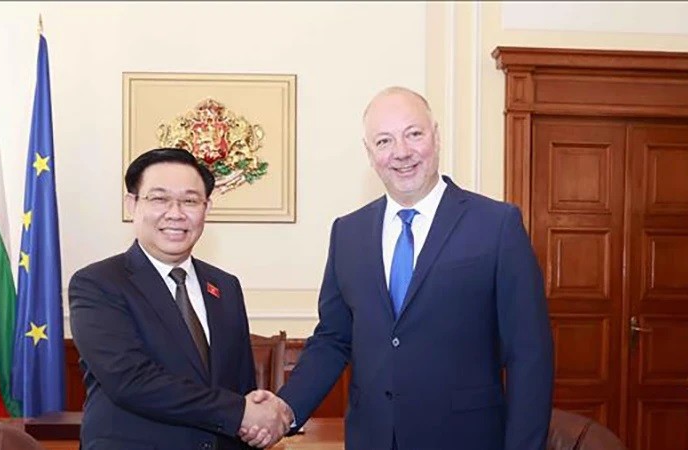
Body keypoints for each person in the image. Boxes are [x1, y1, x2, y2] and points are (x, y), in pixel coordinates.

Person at [241, 87, 554, 449]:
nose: (401, 152)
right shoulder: (348, 232)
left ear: (436, 136)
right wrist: (285, 408)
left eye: (414, 134)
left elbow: (530, 353)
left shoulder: (496, 224)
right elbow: (334, 338)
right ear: (370, 153)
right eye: (384, 140)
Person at [69, 148, 293, 450]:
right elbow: (131, 381)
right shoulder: (98, 283)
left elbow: (239, 385)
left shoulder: (225, 286)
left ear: (206, 207)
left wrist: (256, 421)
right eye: (159, 198)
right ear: (131, 204)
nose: (175, 213)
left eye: (190, 201)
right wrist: (239, 412)